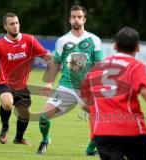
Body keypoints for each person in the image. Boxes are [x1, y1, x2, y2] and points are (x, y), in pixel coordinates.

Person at [81, 27, 146, 160]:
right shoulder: (135, 66)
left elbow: (83, 103)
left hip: (102, 133)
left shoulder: (96, 68)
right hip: (132, 131)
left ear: (115, 45)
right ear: (138, 48)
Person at [36, 5, 103, 156]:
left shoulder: (94, 40)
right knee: (43, 117)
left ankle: (90, 150)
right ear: (69, 19)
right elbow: (56, 63)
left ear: (84, 19)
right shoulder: (63, 41)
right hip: (66, 87)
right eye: (74, 17)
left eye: (79, 17)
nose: (76, 19)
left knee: (101, 120)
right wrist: (48, 83)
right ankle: (45, 140)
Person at [0, 13, 52, 145]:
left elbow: (47, 58)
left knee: (25, 114)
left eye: (17, 23)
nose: (15, 26)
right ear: (5, 26)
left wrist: (50, 76)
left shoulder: (29, 40)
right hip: (4, 83)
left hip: (22, 86)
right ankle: (5, 126)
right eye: (12, 24)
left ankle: (18, 139)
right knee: (8, 103)